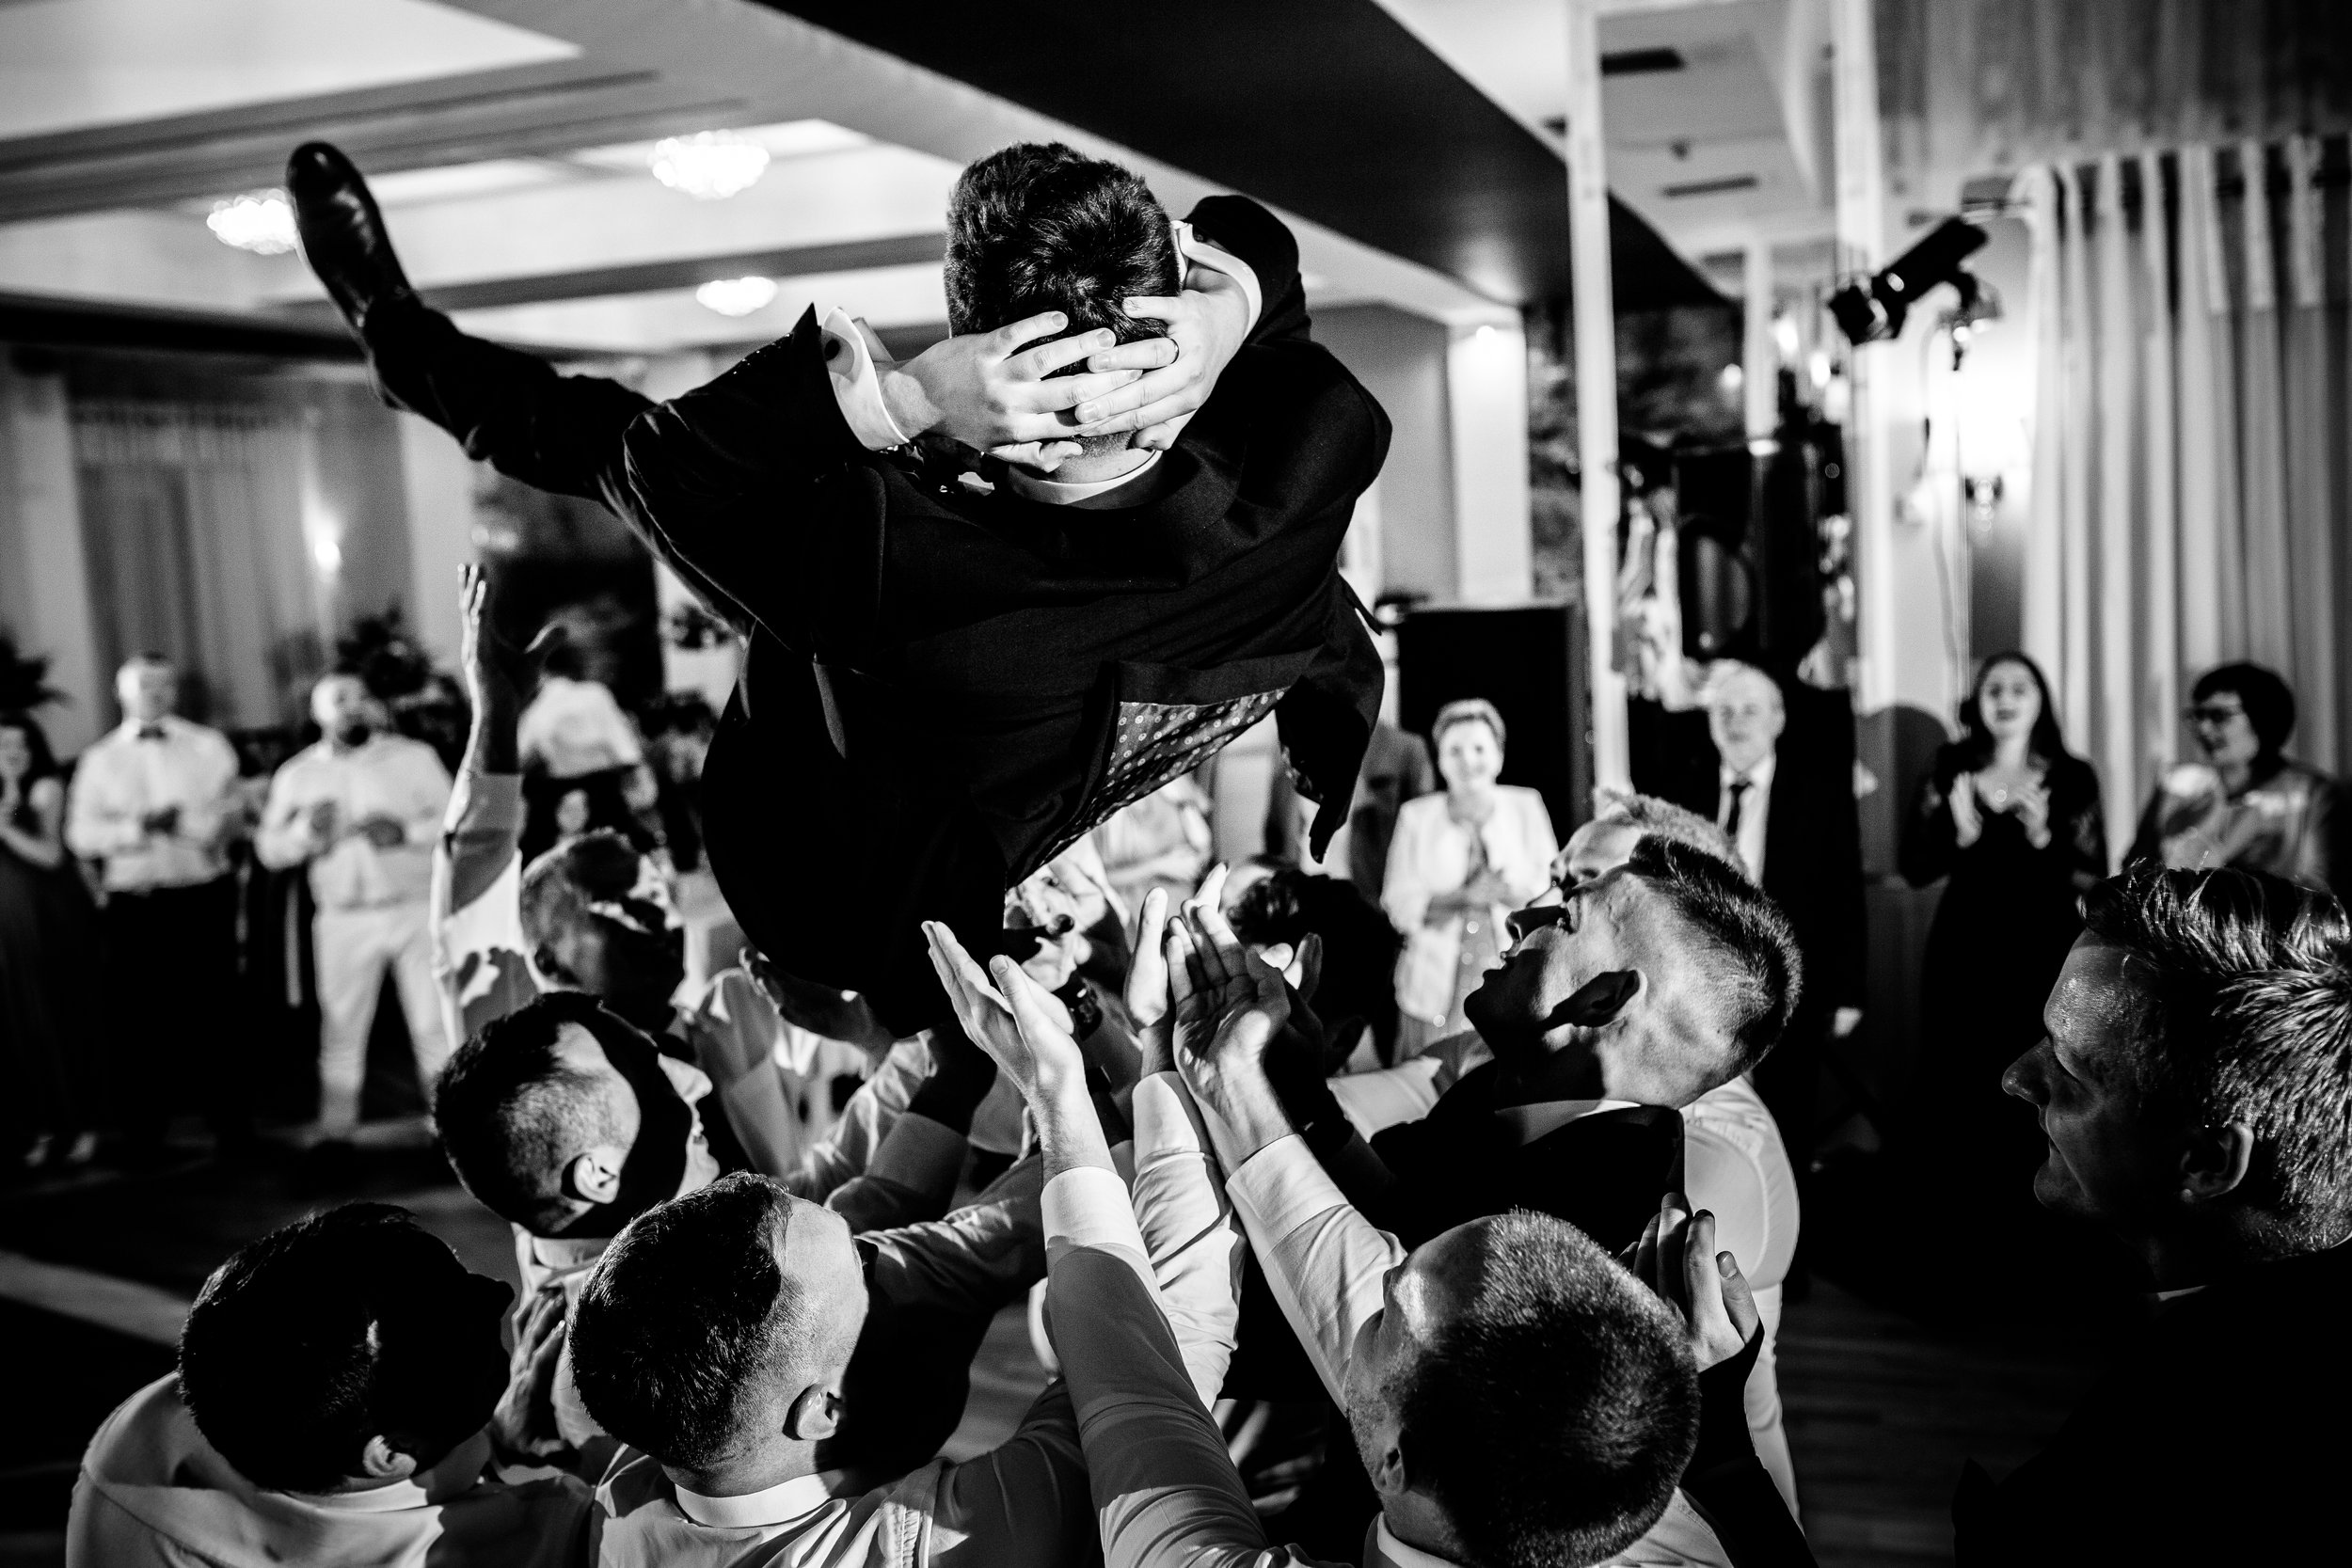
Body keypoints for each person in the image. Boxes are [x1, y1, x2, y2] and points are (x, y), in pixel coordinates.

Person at [289, 135, 1387, 1045]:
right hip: (1043, 737)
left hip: (826, 845)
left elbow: (656, 469)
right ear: (1168, 353)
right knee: (608, 439)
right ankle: (403, 347)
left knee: (605, 437)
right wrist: (1232, 310)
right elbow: (1255, 236)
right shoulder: (1308, 454)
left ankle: (399, 339)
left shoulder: (891, 572)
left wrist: (909, 396)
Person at [924, 909, 1812, 1568]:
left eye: (1378, 1306)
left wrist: (1083, 1089)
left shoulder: (1625, 1208)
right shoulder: (1684, 1530)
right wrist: (1722, 1433)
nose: (1363, 1266)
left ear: (1388, 1452)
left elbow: (1147, 1395)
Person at [436, 564, 987, 1201]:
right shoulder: (536, 1090)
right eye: (617, 907)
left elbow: (800, 1200)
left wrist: (876, 1037)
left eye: (659, 897)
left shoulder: (724, 1020)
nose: (660, 922)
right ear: (545, 955)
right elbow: (469, 921)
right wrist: (497, 719)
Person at [431, 989, 1043, 1474]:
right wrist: (1071, 1110)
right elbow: (905, 1241)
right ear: (597, 1174)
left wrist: (926, 1054)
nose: (693, 1080)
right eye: (652, 1077)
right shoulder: (638, 1348)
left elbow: (823, 1189)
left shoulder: (577, 1242)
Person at [1955, 863, 2352, 1564]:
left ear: (2205, 1161)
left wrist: (1735, 1461)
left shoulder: (2144, 1470)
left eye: (2072, 1071)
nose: (2017, 1077)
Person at [67, 1203, 594, 1568]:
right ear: (389, 1453)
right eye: (459, 1334)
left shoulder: (162, 1419)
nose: (499, 1292)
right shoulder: (525, 1545)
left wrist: (492, 1444)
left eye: (455, 1275)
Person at [1899, 653, 2104, 1236]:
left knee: (2035, 1068)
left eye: (2020, 687)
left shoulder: (2071, 775)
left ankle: (2032, 1218)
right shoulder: (1951, 766)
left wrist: (2042, 836)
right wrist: (1962, 835)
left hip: (2040, 946)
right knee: (1957, 1067)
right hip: (1963, 943)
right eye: (1994, 688)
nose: (2006, 698)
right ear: (1978, 702)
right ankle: (1960, 1217)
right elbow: (1914, 866)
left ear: (2041, 700)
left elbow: (2093, 875)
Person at [1663, 661, 1862, 1157]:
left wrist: (1848, 991)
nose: (1736, 721)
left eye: (1749, 710)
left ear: (1778, 719)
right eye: (1724, 710)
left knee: (1786, 1120)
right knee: (1704, 1124)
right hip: (1698, 986)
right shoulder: (1683, 787)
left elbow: (1844, 891)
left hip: (1791, 983)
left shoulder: (1820, 790)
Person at [64, 654, 251, 1162]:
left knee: (215, 1013)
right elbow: (79, 834)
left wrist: (189, 826)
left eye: (165, 685)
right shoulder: (99, 760)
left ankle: (231, 1126)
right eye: (145, 685)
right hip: (136, 906)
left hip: (200, 896)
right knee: (140, 1020)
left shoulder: (208, 746)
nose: (156, 693)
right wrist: (138, 828)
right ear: (120, 692)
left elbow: (233, 815)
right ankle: (145, 1133)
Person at [256, 671, 454, 1138]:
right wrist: (305, 835)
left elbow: (453, 825)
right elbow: (269, 847)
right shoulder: (299, 774)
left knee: (432, 1028)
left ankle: (447, 1134)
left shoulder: (414, 758)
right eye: (340, 698)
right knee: (343, 1030)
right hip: (343, 918)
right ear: (316, 712)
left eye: (362, 696)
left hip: (414, 909)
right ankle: (336, 1135)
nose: (354, 706)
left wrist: (405, 832)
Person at [1382, 700, 1557, 1056]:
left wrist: (1503, 892)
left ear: (1499, 755)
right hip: (1431, 994)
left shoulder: (1527, 806)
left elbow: (1553, 894)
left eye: (1479, 748)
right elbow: (1398, 905)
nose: (1468, 760)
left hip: (1515, 990)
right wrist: (1466, 897)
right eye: (1455, 750)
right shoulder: (1416, 817)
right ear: (1440, 759)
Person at [2128, 661, 2342, 897]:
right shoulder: (2177, 785)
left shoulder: (2310, 794)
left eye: (2219, 716)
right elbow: (2135, 873)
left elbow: (2319, 893)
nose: (2203, 728)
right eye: (2197, 715)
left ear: (2262, 716)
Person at [0, 710, 103, 1168]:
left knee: (57, 1016)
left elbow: (48, 854)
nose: (11, 755)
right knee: (18, 1021)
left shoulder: (46, 787)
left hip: (48, 914)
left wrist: (3, 819)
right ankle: (40, 1126)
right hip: (7, 919)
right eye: (2, 746)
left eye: (20, 746)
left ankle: (81, 1125)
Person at [1266, 714, 1438, 894]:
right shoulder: (1289, 749)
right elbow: (1275, 835)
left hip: (1370, 898)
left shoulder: (1404, 747)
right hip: (1303, 900)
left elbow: (1425, 833)